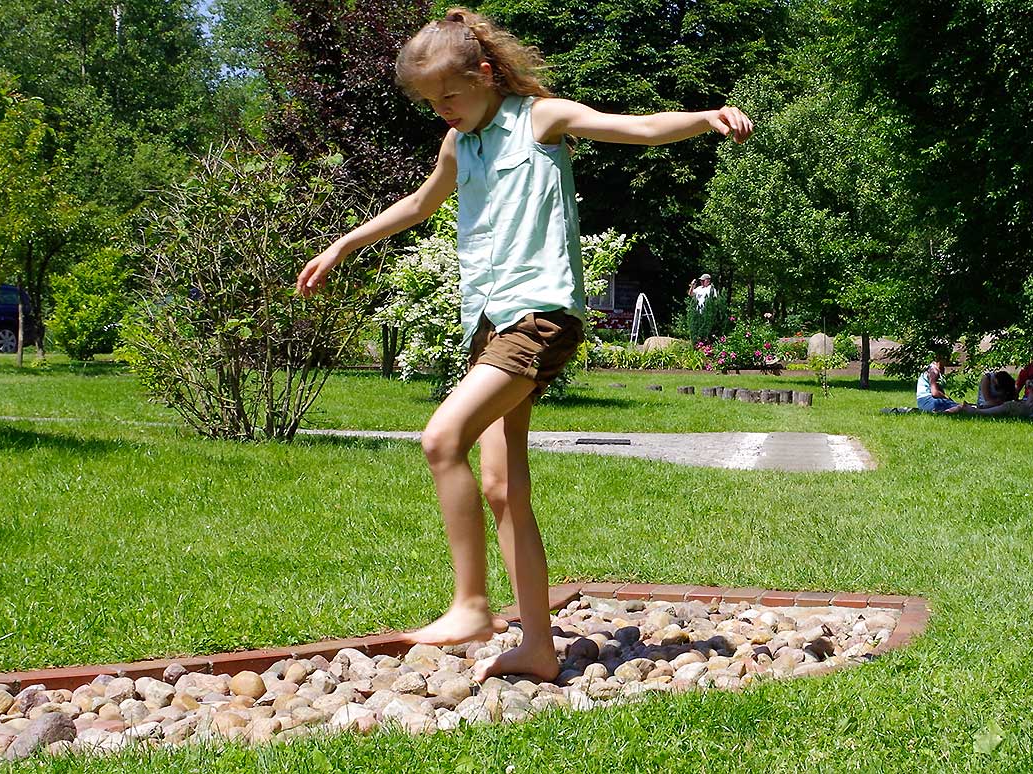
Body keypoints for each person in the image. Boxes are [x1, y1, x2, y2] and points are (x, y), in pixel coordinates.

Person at [294, 7, 752, 682]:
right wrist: (343, 244)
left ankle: (472, 605)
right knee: (504, 488)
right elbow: (420, 205)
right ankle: (538, 645)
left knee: (440, 439)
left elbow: (638, 129)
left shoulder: (540, 118)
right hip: (491, 320)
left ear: (485, 74)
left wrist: (706, 116)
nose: (441, 110)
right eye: (429, 102)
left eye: (450, 95)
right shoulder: (460, 146)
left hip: (539, 317)